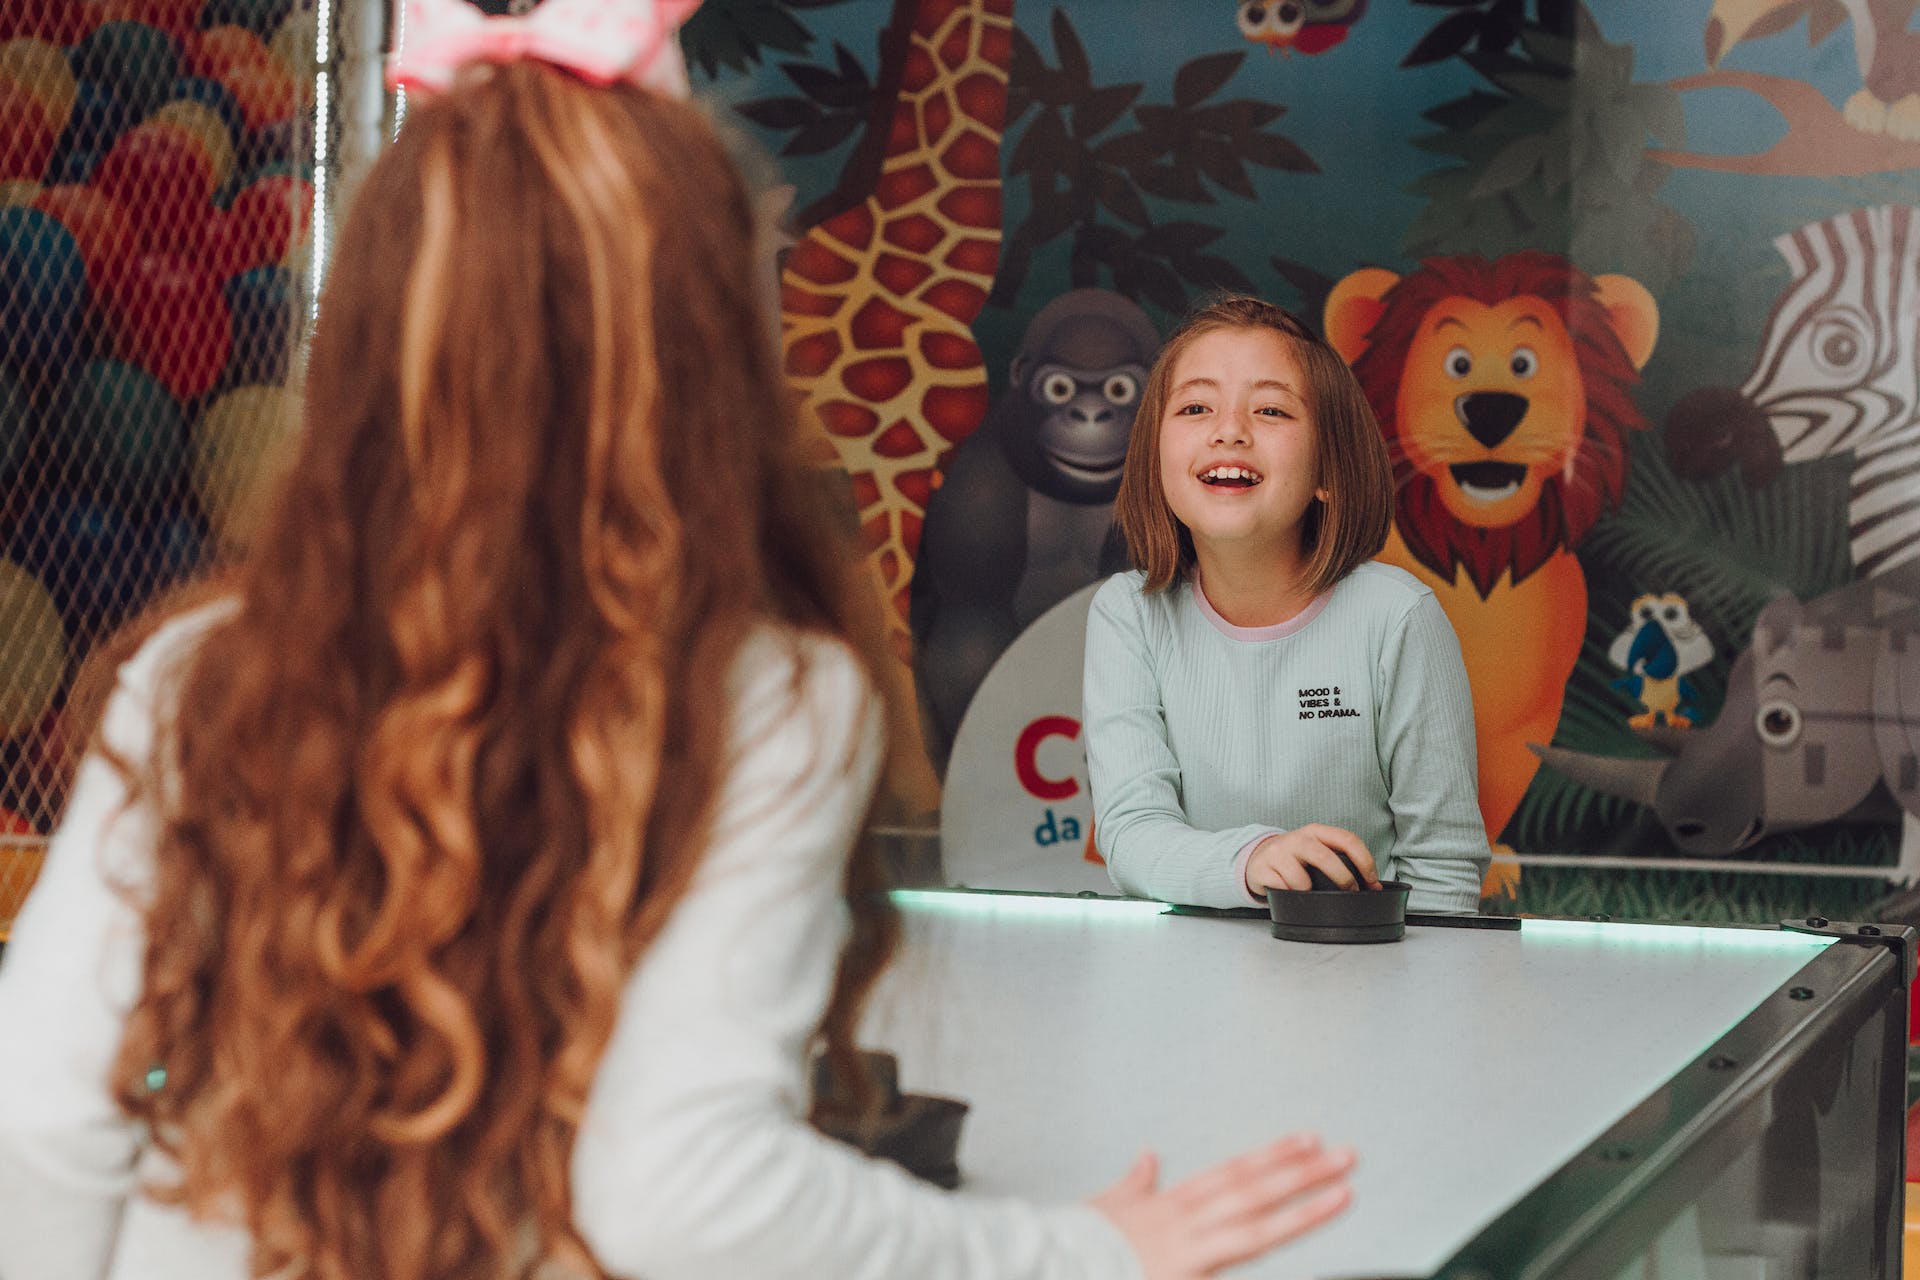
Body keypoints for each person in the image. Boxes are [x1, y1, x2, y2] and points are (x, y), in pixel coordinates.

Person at [0, 11, 1356, 1279]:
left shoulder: (202, 675)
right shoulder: (768, 697)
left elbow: (41, 1130)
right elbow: (678, 1183)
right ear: (713, 350)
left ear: (362, 346)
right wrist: (1065, 1253)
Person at [1084, 297, 1490, 914]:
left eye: (1271, 409)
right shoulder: (1128, 614)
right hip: (1186, 992)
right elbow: (1133, 834)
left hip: (1363, 988)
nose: (1230, 430)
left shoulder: (1398, 618)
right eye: (1196, 407)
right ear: (1155, 459)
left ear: (1328, 468)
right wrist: (1253, 861)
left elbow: (1443, 870)